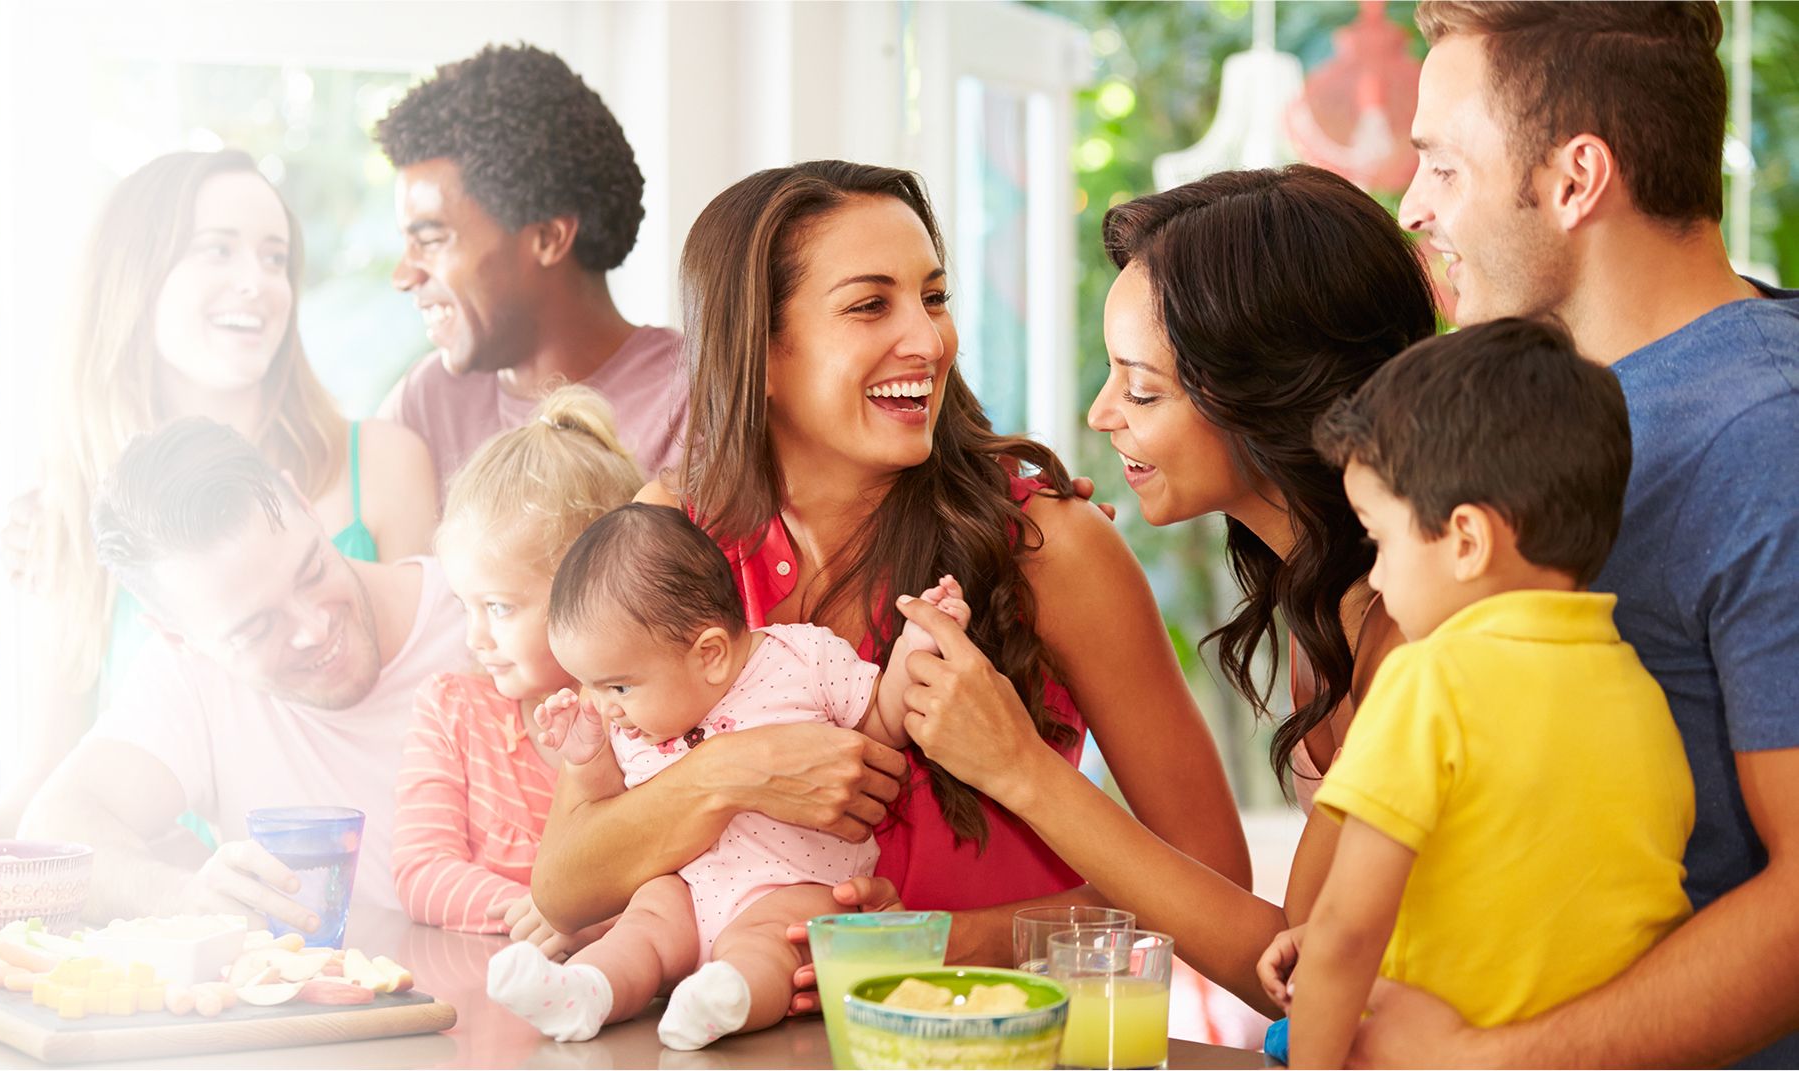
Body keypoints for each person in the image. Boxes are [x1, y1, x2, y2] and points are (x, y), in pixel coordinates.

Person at [527, 160, 1254, 972]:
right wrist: (733, 771)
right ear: (759, 350)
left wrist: (930, 944)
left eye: (934, 298)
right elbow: (564, 882)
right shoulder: (669, 532)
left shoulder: (1053, 545)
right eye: (871, 305)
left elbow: (1213, 881)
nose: (931, 339)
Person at [1345, 5, 1799, 1067]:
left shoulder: (1764, 440)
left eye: (1442, 169)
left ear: (1574, 178)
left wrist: (1479, 1063)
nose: (1409, 205)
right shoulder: (1553, 414)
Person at [890, 164, 1438, 1013]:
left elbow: (1299, 975)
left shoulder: (1408, 629)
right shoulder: (1327, 597)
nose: (1102, 413)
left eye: (1142, 388)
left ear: (1273, 400)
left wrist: (1022, 769)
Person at [1254, 319, 1694, 1067]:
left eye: (1380, 539)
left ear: (1467, 539)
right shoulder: (1640, 693)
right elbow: (1535, 899)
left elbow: (1344, 933)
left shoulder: (1427, 680)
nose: (1380, 577)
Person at [6, 150, 438, 828]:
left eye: (275, 258)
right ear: (135, 280)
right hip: (168, 912)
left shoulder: (383, 463)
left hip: (380, 890)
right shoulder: (70, 512)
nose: (256, 283)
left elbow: (446, 716)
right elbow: (46, 774)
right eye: (217, 251)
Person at [489, 504, 967, 1049]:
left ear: (710, 655)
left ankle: (727, 998)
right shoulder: (631, 720)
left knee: (770, 945)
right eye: (589, 685)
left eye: (617, 687)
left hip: (791, 884)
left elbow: (882, 719)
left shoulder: (801, 659)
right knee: (642, 927)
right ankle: (587, 992)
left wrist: (914, 647)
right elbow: (604, 811)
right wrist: (586, 756)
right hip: (683, 890)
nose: (602, 705)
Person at [20, 418, 464, 922]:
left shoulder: (480, 616)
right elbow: (53, 830)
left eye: (313, 571)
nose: (313, 628)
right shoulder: (192, 677)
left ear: (305, 505)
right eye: (256, 629)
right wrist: (179, 897)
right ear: (176, 636)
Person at [374, 43, 686, 487]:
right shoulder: (427, 404)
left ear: (547, 238)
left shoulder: (695, 409)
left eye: (431, 239)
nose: (404, 276)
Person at [393, 385, 642, 934]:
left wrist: (578, 921)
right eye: (466, 606)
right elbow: (422, 870)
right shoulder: (453, 711)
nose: (475, 637)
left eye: (499, 607)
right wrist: (549, 914)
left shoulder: (652, 725)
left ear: (594, 592)